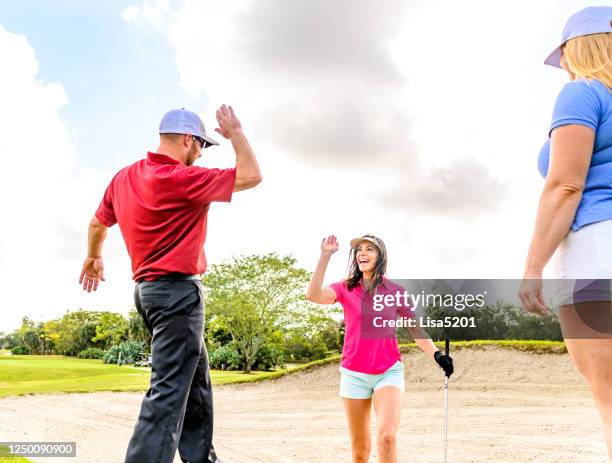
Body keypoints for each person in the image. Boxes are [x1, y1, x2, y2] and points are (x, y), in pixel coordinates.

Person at [78, 105, 262, 463]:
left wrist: (93, 257)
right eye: (202, 146)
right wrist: (236, 133)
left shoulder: (124, 178)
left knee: (195, 388)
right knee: (167, 394)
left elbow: (98, 225)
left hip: (148, 294)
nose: (201, 154)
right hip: (178, 294)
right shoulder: (183, 179)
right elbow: (252, 175)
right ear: (189, 141)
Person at [519, 6, 612, 459]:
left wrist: (533, 266)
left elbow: (566, 184)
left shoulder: (583, 93)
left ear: (580, 49)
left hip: (598, 249)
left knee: (610, 399)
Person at [306, 234, 454, 463]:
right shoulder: (346, 288)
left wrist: (437, 354)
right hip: (354, 374)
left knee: (387, 438)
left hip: (388, 371)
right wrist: (325, 256)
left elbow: (415, 329)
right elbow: (313, 295)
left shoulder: (395, 291)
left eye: (369, 249)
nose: (362, 253)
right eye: (359, 250)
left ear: (380, 256)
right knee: (360, 452)